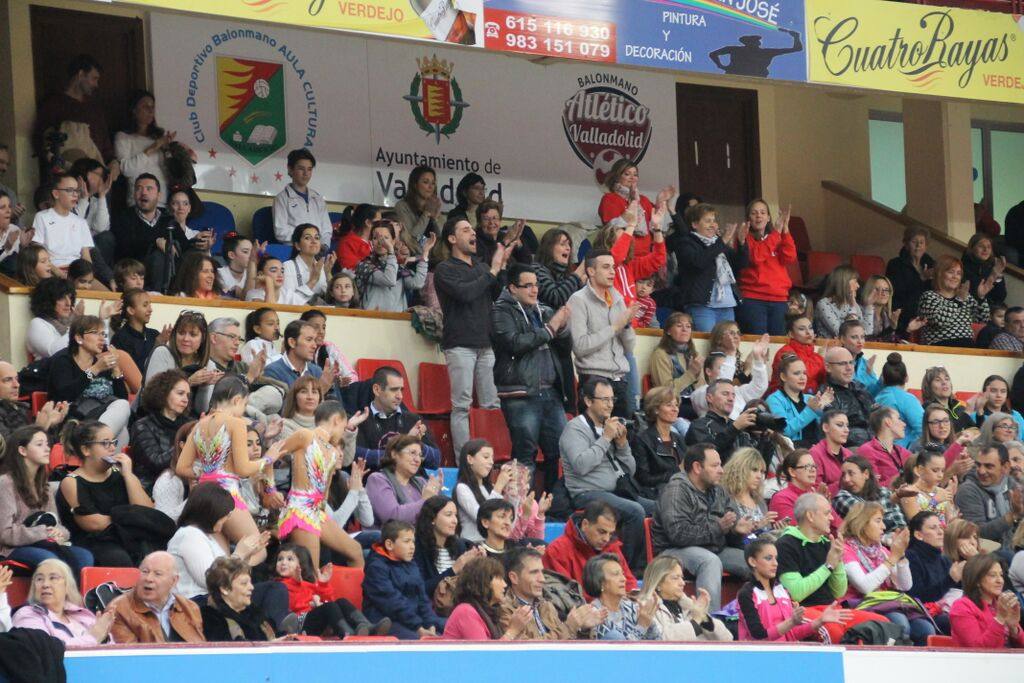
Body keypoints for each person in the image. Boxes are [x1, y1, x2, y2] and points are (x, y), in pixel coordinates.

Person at [176, 377, 282, 564]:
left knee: (220, 557)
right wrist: (268, 459)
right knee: (258, 551)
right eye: (244, 404)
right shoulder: (236, 424)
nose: (243, 411)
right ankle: (229, 575)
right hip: (227, 495)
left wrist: (207, 474)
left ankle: (221, 581)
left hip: (203, 494)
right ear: (236, 400)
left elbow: (181, 468)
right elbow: (243, 469)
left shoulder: (199, 425)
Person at [491, 262, 571, 490]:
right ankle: (520, 510)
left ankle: (551, 507)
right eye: (527, 286)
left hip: (550, 392)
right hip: (521, 393)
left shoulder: (543, 310)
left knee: (559, 453)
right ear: (512, 288)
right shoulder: (500, 311)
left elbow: (564, 349)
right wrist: (550, 329)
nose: (534, 290)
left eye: (536, 285)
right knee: (525, 455)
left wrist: (563, 329)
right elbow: (515, 343)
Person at [560, 377, 652, 572]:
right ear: (588, 401)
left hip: (618, 490)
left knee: (659, 509)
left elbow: (630, 471)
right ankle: (624, 570)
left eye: (612, 399)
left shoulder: (607, 425)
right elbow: (581, 466)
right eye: (604, 400)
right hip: (588, 493)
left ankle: (652, 567)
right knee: (635, 512)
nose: (610, 405)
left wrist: (622, 444)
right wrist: (606, 438)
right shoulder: (575, 428)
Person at [433, 217, 506, 453]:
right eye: (466, 230)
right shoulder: (444, 269)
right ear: (452, 239)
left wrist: (501, 268)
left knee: (491, 405)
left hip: (487, 344)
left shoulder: (483, 267)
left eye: (472, 229)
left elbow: (497, 293)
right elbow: (466, 293)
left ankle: (489, 458)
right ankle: (465, 460)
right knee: (462, 406)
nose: (473, 232)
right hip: (459, 345)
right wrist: (492, 271)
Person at [653, 443, 752, 611]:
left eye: (720, 465)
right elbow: (678, 534)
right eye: (715, 465)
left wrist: (736, 530)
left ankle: (758, 618)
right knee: (709, 561)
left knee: (755, 561)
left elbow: (729, 525)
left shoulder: (719, 490)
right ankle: (709, 624)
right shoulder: (677, 490)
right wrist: (718, 527)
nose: (721, 470)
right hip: (673, 551)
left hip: (713, 547)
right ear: (697, 467)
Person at [776, 493, 886, 642]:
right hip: (802, 611)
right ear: (810, 515)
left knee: (882, 625)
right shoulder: (785, 545)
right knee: (835, 634)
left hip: (831, 609)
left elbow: (838, 592)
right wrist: (828, 566)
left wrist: (838, 561)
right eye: (827, 513)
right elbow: (796, 593)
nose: (832, 518)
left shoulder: (827, 543)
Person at [275, 401, 365, 570]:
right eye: (344, 427)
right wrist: (269, 490)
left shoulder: (332, 451)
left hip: (317, 512)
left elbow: (322, 498)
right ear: (337, 420)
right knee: (312, 573)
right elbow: (271, 455)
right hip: (301, 510)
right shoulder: (305, 435)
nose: (342, 433)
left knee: (356, 551)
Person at [0, 425, 93, 574]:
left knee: (84, 556)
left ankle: (73, 597)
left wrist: (58, 533)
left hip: (44, 543)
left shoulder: (44, 485)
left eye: (47, 444)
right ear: (22, 450)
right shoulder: (5, 483)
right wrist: (43, 532)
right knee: (51, 560)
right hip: (11, 549)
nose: (47, 449)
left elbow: (57, 524)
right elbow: (5, 534)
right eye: (39, 444)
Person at [839, 503, 933, 644]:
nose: (883, 526)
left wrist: (900, 555)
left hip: (886, 603)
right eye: (878, 521)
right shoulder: (846, 550)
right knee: (900, 623)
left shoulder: (881, 551)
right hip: (859, 604)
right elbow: (865, 587)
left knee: (925, 629)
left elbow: (905, 586)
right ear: (862, 523)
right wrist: (893, 558)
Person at [52, 428, 149, 560]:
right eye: (105, 443)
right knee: (118, 558)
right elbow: (93, 523)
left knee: (152, 552)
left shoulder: (121, 474)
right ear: (86, 450)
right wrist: (131, 519)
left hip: (126, 535)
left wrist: (128, 475)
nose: (112, 448)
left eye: (114, 442)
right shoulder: (71, 482)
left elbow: (146, 512)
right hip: (92, 541)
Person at [166, 484, 271, 602]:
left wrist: (248, 554)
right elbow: (211, 581)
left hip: (212, 599)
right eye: (226, 514)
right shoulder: (189, 535)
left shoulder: (206, 537)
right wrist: (239, 555)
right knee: (272, 589)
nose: (227, 518)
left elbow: (231, 578)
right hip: (194, 602)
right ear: (212, 513)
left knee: (267, 588)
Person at [738, 536, 848, 641]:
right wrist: (791, 622)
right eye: (768, 558)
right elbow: (758, 636)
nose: (775, 563)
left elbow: (791, 634)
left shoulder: (781, 590)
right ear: (752, 561)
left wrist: (820, 621)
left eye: (776, 558)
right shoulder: (746, 594)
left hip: (786, 654)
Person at [568, 250, 637, 418]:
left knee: (625, 437)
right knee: (597, 436)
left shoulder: (618, 298)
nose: (613, 272)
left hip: (620, 379)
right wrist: (614, 328)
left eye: (613, 267)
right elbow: (580, 346)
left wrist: (626, 326)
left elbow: (629, 347)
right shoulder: (578, 300)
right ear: (591, 271)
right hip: (593, 380)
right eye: (606, 267)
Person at [46, 315, 130, 448]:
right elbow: (65, 395)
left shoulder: (102, 364)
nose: (102, 338)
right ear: (79, 338)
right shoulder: (63, 361)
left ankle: (98, 449)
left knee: (123, 429)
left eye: (103, 333)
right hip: (72, 423)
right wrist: (95, 369)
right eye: (95, 333)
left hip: (98, 419)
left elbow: (122, 400)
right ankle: (95, 442)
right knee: (121, 426)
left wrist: (116, 369)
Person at [273, 544, 387, 637]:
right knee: (329, 607)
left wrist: (323, 584)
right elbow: (291, 606)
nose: (283, 562)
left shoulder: (308, 585)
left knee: (341, 601)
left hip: (316, 619)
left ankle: (366, 626)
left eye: (289, 559)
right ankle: (347, 633)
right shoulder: (277, 586)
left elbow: (329, 600)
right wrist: (312, 603)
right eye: (280, 559)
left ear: (301, 564)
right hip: (299, 624)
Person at [499, 546, 606, 640]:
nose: (542, 579)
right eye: (534, 572)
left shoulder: (546, 604)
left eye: (542, 572)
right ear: (514, 578)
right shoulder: (505, 610)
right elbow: (529, 652)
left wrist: (582, 629)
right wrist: (569, 627)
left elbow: (567, 647)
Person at [364, 519, 447, 639]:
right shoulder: (376, 567)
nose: (412, 547)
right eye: (407, 542)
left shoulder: (411, 564)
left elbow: (423, 600)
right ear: (389, 545)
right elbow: (393, 603)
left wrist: (431, 624)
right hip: (386, 620)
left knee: (452, 629)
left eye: (413, 542)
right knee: (418, 640)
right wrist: (418, 628)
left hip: (413, 620)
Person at [672, 203, 748, 332]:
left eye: (714, 220)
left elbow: (741, 264)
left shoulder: (718, 243)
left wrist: (741, 243)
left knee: (726, 345)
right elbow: (699, 262)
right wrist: (722, 242)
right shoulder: (686, 242)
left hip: (727, 306)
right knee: (705, 345)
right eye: (708, 221)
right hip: (702, 307)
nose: (713, 224)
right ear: (695, 224)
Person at [115, 90, 193, 207]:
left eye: (152, 107)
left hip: (163, 200)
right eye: (145, 106)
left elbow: (169, 172)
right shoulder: (123, 137)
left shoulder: (159, 137)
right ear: (134, 110)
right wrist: (153, 147)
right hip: (138, 201)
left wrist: (169, 151)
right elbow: (126, 170)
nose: (150, 110)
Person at [34, 54, 114, 168]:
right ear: (81, 74)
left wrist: (113, 162)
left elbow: (106, 145)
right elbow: (40, 139)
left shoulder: (94, 109)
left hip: (96, 176)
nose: (96, 85)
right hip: (66, 176)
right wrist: (56, 163)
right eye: (94, 78)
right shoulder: (54, 104)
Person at [193, 317, 281, 420]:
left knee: (275, 413)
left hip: (249, 415)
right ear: (214, 338)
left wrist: (259, 377)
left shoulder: (242, 366)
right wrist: (248, 378)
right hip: (221, 421)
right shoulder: (201, 367)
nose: (237, 343)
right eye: (232, 337)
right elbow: (208, 407)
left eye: (239, 339)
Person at [109, 550, 205, 643]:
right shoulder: (118, 609)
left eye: (158, 574)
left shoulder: (190, 607)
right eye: (145, 571)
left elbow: (200, 650)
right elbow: (130, 656)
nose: (149, 578)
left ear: (174, 581)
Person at [543, 501, 638, 595]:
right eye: (601, 532)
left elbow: (629, 583)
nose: (606, 539)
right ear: (585, 525)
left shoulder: (612, 546)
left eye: (610, 533)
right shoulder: (557, 551)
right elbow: (565, 596)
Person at [355, 366, 440, 470]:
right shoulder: (360, 421)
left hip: (414, 483)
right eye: (394, 390)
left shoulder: (414, 419)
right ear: (377, 390)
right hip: (378, 483)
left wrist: (418, 444)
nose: (400, 396)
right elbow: (358, 457)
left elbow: (436, 460)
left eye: (401, 390)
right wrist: (406, 443)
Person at [12, 559, 112, 646]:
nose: (45, 584)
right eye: (39, 579)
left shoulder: (83, 615)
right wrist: (93, 638)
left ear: (68, 585)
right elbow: (46, 650)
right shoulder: (27, 615)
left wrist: (103, 638)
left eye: (53, 578)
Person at [736, 200, 796, 335]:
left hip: (779, 299)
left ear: (769, 218)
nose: (759, 216)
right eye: (754, 213)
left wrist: (785, 230)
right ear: (748, 218)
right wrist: (776, 233)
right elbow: (755, 257)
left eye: (763, 213)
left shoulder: (775, 236)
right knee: (756, 344)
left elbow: (789, 257)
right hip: (753, 299)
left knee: (777, 345)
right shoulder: (744, 237)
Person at [129, 369, 192, 493]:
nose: (185, 399)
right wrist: (188, 443)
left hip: (186, 484)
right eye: (180, 393)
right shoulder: (142, 426)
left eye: (187, 396)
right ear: (163, 393)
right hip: (153, 488)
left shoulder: (189, 424)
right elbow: (155, 463)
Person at [597, 158, 674, 258]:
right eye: (627, 174)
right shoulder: (609, 198)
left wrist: (659, 201)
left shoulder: (643, 200)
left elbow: (655, 226)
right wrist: (634, 202)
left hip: (646, 256)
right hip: (624, 257)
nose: (632, 177)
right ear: (616, 177)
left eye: (635, 174)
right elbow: (612, 229)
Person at [955, 444, 1024, 554]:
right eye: (978, 465)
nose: (981, 471)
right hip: (983, 556)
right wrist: (1012, 516)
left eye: (989, 466)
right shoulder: (968, 490)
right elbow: (977, 533)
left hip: (1012, 549)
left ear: (1005, 467)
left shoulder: (1013, 486)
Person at [27, 277, 117, 360]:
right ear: (48, 301)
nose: (68, 303)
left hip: (83, 372)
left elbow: (102, 348)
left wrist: (103, 321)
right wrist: (77, 324)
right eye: (62, 298)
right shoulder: (37, 323)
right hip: (53, 374)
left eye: (70, 298)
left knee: (115, 355)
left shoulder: (72, 322)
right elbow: (53, 353)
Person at [199, 556, 284, 642]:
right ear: (225, 589)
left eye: (250, 582)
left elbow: (275, 636)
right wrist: (267, 646)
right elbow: (226, 651)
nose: (251, 587)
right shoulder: (210, 617)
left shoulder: (254, 613)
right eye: (244, 583)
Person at [412, 495, 482, 598]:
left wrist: (479, 563)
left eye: (455, 515)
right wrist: (454, 569)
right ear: (432, 518)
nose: (455, 520)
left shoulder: (461, 546)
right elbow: (419, 590)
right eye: (449, 515)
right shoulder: (416, 548)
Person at [366, 435, 442, 528]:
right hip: (389, 540)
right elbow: (392, 517)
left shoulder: (421, 482)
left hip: (421, 538)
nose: (417, 460)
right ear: (394, 454)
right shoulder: (378, 480)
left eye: (420, 455)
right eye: (412, 453)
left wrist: (438, 497)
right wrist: (425, 501)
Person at [950, 553, 1024, 648]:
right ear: (977, 580)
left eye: (1001, 575)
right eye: (993, 575)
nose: (1000, 580)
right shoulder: (962, 607)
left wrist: (1013, 628)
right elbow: (978, 650)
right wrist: (1000, 619)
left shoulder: (1001, 604)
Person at [918, 255, 992, 347]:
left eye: (958, 273)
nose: (955, 277)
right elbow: (939, 321)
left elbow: (982, 320)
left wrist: (981, 298)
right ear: (940, 274)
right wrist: (958, 300)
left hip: (968, 348)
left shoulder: (964, 296)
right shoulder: (929, 296)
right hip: (941, 349)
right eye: (951, 272)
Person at [356, 221, 430, 312]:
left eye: (386, 238)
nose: (381, 242)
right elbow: (389, 280)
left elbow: (416, 284)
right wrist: (391, 252)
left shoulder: (398, 266)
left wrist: (425, 255)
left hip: (396, 320)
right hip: (371, 319)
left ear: (393, 241)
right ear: (370, 242)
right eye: (376, 238)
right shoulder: (365, 265)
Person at [905, 511, 960, 633]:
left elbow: (958, 591)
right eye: (933, 528)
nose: (940, 532)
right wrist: (950, 579)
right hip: (921, 614)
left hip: (945, 609)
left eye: (941, 527)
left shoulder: (944, 559)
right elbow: (918, 597)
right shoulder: (911, 557)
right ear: (919, 535)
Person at [585, 554, 661, 640]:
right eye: (616, 574)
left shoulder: (632, 607)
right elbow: (621, 651)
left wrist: (649, 622)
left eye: (623, 574)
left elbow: (658, 641)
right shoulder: (595, 614)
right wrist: (642, 626)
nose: (624, 579)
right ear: (600, 582)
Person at [31, 172, 95, 271]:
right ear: (56, 194)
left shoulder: (81, 222)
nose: (75, 194)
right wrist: (58, 273)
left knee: (100, 287)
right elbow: (37, 252)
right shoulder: (42, 217)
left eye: (77, 190)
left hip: (77, 272)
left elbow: (86, 257)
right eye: (70, 190)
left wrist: (88, 276)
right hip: (52, 270)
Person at [766, 354, 833, 447]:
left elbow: (825, 429)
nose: (802, 377)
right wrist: (810, 410)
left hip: (815, 448)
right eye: (797, 373)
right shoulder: (774, 400)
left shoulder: (809, 398)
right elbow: (784, 432)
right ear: (783, 377)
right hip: (793, 452)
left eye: (804, 373)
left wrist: (823, 409)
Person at [263, 320, 340, 401]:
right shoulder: (272, 372)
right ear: (292, 342)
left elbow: (333, 408)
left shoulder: (317, 371)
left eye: (314, 340)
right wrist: (320, 390)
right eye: (309, 340)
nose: (314, 345)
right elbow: (282, 411)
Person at [632, 387, 688, 494]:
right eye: (669, 405)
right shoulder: (642, 440)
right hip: (660, 493)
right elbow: (644, 479)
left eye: (676, 405)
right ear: (656, 409)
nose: (675, 409)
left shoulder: (678, 438)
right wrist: (676, 471)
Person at [770, 449, 839, 534]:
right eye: (807, 466)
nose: (813, 470)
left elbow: (839, 526)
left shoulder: (814, 494)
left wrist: (824, 503)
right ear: (792, 472)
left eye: (814, 466)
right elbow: (803, 531)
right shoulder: (781, 498)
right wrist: (817, 504)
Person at [683, 379, 758, 457]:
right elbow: (707, 453)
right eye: (725, 394)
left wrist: (766, 438)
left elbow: (754, 463)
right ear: (709, 398)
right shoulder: (698, 425)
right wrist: (735, 428)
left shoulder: (738, 427)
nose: (731, 399)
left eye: (733, 395)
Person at [833, 455, 907, 533]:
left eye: (851, 474)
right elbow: (869, 519)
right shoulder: (841, 497)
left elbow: (899, 524)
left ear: (866, 474)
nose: (846, 479)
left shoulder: (883, 492)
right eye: (843, 475)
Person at [648, 312, 702, 417]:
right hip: (673, 404)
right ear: (668, 331)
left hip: (694, 402)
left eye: (688, 326)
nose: (685, 329)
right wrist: (691, 374)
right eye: (679, 326)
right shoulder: (661, 354)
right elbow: (666, 392)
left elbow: (701, 390)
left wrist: (698, 374)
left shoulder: (694, 354)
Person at [273, 149, 331, 244]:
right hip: (294, 249)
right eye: (301, 169)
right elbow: (280, 232)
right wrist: (307, 240)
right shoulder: (281, 198)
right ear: (290, 169)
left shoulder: (318, 198)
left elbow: (326, 230)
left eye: (309, 169)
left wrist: (324, 246)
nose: (306, 173)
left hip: (317, 250)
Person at [144, 310, 215, 387]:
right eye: (181, 333)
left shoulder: (209, 365)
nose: (186, 339)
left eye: (193, 335)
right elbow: (151, 393)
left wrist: (205, 386)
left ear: (203, 338)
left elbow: (204, 399)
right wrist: (189, 382)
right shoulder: (162, 353)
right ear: (174, 334)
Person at [453, 440, 506, 543]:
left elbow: (506, 520)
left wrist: (514, 495)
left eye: (492, 458)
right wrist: (499, 486)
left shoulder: (490, 489)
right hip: (472, 544)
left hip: (491, 543)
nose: (491, 462)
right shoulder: (462, 488)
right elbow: (482, 517)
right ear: (470, 459)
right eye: (486, 457)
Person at [0, 361, 67, 440]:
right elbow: (9, 449)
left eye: (16, 379)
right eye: (8, 380)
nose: (16, 385)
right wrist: (39, 428)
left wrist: (50, 425)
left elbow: (45, 448)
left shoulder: (21, 408)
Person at [886, 226, 936, 332]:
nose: (918, 246)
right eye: (914, 242)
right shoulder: (895, 264)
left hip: (927, 312)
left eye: (921, 242)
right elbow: (899, 293)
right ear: (906, 244)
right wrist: (922, 279)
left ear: (926, 246)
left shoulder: (932, 265)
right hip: (904, 311)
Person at [823, 347, 874, 448]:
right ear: (828, 367)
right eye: (842, 364)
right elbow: (837, 432)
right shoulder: (827, 394)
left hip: (874, 444)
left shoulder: (860, 388)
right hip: (851, 449)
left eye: (851, 362)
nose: (849, 368)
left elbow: (876, 418)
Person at [110, 289, 167, 375]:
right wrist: (156, 346)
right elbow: (133, 371)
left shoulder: (154, 334)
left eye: (150, 304)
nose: (150, 309)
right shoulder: (120, 338)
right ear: (131, 310)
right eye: (145, 305)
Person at [874, 354, 924, 449]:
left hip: (879, 449)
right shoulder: (908, 399)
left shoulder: (876, 398)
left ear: (883, 379)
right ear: (906, 378)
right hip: (903, 452)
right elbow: (924, 429)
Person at [898, 451, 958, 526]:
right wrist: (934, 501)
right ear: (920, 470)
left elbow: (951, 522)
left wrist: (952, 505)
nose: (940, 475)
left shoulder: (942, 492)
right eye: (935, 470)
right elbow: (917, 523)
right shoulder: (909, 493)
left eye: (942, 471)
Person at [857, 407, 914, 487]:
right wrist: (900, 479)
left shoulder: (905, 453)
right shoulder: (867, 451)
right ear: (888, 422)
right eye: (899, 419)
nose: (904, 424)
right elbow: (871, 487)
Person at [534, 227, 586, 313]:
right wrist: (579, 272)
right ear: (549, 248)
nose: (568, 248)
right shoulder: (537, 269)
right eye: (563, 244)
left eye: (569, 244)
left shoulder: (565, 275)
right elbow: (556, 299)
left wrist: (581, 284)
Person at [769, 315, 825, 395]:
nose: (808, 332)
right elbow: (804, 375)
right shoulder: (785, 352)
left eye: (810, 328)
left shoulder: (816, 356)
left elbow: (824, 379)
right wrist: (822, 360)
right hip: (783, 398)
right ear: (791, 334)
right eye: (802, 329)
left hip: (810, 398)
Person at [394, 166, 442, 255]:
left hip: (433, 257)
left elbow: (439, 240)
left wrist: (435, 219)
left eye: (433, 183)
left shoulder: (433, 206)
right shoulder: (402, 206)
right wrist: (427, 213)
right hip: (413, 258)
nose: (430, 187)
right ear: (415, 185)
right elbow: (412, 238)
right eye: (425, 182)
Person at [814, 266, 872, 339]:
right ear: (844, 282)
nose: (858, 286)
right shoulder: (824, 304)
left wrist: (869, 307)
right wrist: (852, 307)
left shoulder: (853, 304)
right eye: (855, 281)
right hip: (830, 347)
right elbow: (842, 333)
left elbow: (867, 333)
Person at [282, 224, 333, 303]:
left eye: (317, 238)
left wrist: (328, 273)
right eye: (307, 238)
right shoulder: (287, 266)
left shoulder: (322, 267)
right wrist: (313, 280)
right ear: (297, 245)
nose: (314, 241)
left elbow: (333, 299)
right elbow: (288, 301)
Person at [860, 275, 918, 342]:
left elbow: (891, 343)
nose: (883, 293)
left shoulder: (886, 315)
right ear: (869, 291)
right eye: (877, 289)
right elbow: (866, 340)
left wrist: (908, 329)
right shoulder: (860, 311)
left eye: (886, 290)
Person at [921, 366, 977, 433]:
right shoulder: (928, 408)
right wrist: (967, 413)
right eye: (938, 380)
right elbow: (947, 434)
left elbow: (976, 432)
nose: (944, 382)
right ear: (929, 387)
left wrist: (980, 413)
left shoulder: (959, 407)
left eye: (947, 379)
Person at [962, 233, 1008, 306]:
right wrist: (992, 276)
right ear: (972, 248)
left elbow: (1000, 297)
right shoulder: (963, 267)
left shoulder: (992, 267)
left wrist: (997, 275)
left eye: (989, 247)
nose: (985, 249)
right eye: (981, 246)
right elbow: (974, 295)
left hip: (990, 308)